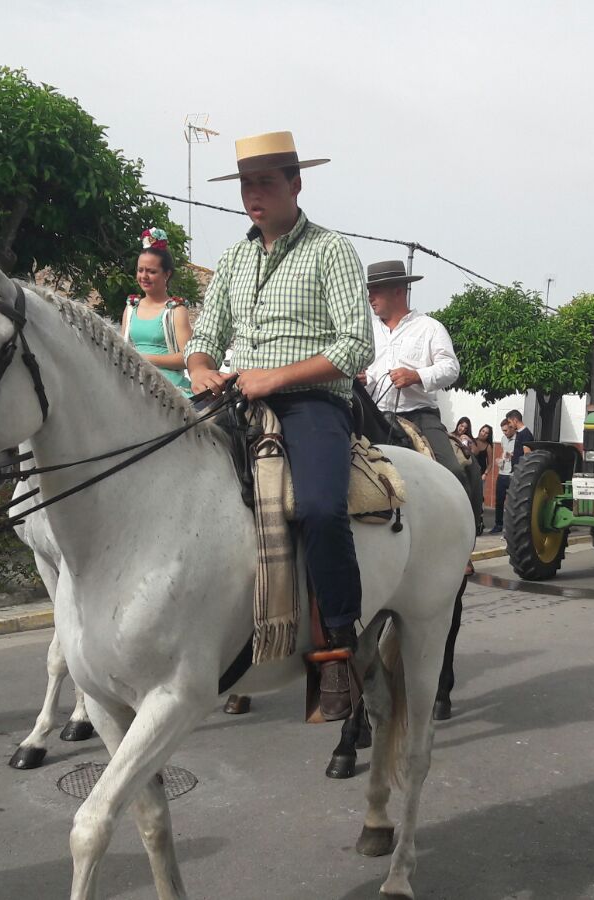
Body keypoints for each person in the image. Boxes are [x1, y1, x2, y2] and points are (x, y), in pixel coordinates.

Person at [184, 131, 372, 722]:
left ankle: (339, 646)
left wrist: (275, 378)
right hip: (238, 397)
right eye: (246, 183)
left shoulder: (331, 250)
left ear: (296, 182)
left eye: (265, 181)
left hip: (314, 404)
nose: (253, 194)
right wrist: (197, 367)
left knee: (319, 506)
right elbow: (206, 336)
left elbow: (357, 345)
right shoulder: (235, 260)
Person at [360, 260, 481, 531]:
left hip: (419, 416)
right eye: (370, 290)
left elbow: (451, 368)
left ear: (398, 291)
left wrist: (417, 376)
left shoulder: (429, 328)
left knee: (453, 470)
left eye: (376, 290)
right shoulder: (366, 332)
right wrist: (363, 379)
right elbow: (363, 374)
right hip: (374, 414)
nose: (370, 297)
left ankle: (460, 541)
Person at [121, 229, 194, 396]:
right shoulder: (131, 308)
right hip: (132, 382)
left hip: (168, 389)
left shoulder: (176, 310)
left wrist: (144, 358)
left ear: (166, 274)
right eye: (140, 270)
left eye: (151, 271)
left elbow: (187, 358)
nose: (144, 276)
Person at [490, 411, 533, 535]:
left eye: (509, 422)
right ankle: (500, 525)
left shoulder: (524, 434)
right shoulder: (517, 435)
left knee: (515, 502)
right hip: (507, 471)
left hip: (516, 474)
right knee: (501, 499)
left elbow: (527, 455)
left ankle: (514, 528)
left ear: (514, 420)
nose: (508, 426)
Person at [451, 417, 488, 533]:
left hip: (464, 468)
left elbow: (476, 452)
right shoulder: (450, 435)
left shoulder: (468, 439)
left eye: (465, 427)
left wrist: (468, 440)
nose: (462, 429)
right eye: (461, 425)